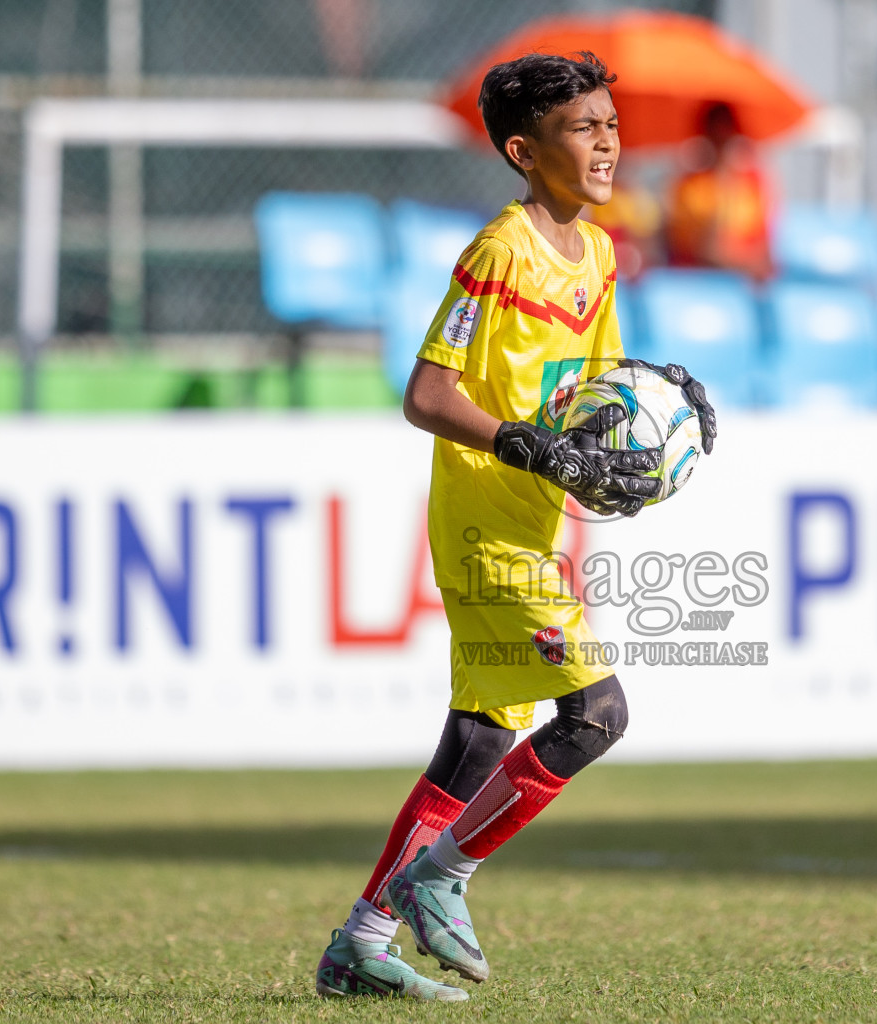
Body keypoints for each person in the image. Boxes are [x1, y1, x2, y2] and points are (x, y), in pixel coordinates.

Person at [313, 51, 718, 1002]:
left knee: (479, 743)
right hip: (483, 526)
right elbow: (426, 395)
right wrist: (536, 450)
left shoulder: (602, 253)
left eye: (612, 124)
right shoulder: (500, 250)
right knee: (596, 714)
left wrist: (635, 437)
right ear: (522, 150)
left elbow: (594, 394)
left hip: (531, 530)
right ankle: (441, 875)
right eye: (584, 128)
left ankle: (361, 942)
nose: (609, 141)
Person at [664, 101, 777, 280]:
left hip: (742, 282)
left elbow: (764, 247)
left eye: (727, 126)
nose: (722, 134)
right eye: (716, 126)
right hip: (699, 282)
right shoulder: (689, 186)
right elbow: (696, 249)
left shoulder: (754, 183)